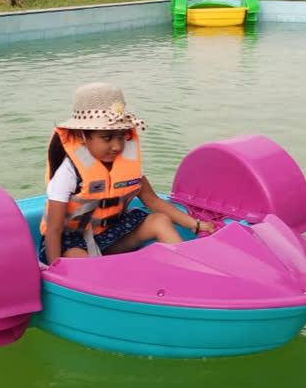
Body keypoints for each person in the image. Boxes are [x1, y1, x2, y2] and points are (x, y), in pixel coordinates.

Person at [39, 82, 214, 265]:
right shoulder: (68, 172)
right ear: (82, 136)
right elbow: (54, 228)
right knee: (78, 259)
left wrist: (197, 225)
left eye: (121, 136)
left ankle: (190, 268)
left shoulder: (128, 165)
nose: (116, 146)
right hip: (72, 241)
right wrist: (54, 268)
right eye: (106, 138)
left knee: (159, 220)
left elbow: (153, 201)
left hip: (111, 234)